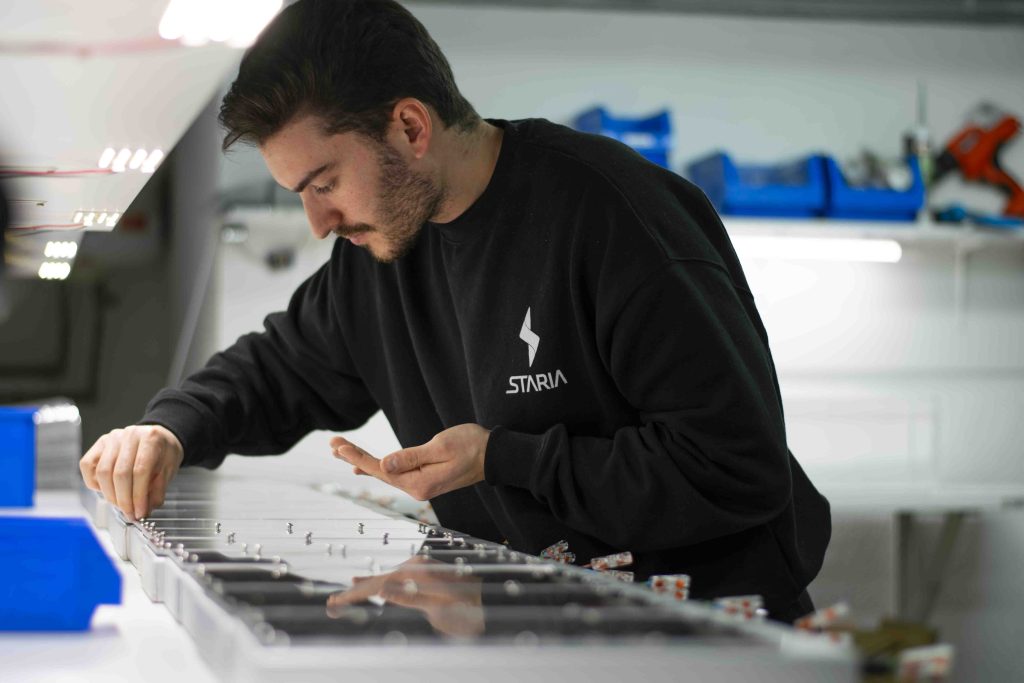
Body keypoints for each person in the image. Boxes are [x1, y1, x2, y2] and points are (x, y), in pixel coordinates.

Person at [79, 0, 830, 622]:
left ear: (409, 126)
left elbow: (736, 468)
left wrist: (502, 457)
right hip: (560, 630)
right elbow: (277, 368)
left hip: (712, 637)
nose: (317, 220)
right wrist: (168, 427)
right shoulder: (377, 264)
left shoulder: (611, 216)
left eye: (324, 182)